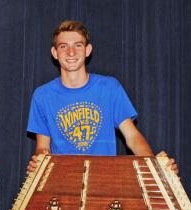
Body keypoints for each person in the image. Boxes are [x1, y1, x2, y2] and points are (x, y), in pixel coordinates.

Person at [27, 20, 178, 173]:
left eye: (78, 45)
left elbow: (132, 136)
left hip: (105, 180)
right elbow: (42, 147)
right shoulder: (42, 95)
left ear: (88, 50)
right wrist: (39, 161)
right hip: (62, 180)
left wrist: (153, 165)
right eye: (63, 46)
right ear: (55, 53)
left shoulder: (110, 88)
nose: (71, 52)